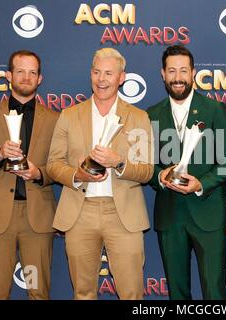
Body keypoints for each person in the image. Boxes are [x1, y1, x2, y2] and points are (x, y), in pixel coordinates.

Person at [47, 48, 153, 300]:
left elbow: (147, 171)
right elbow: (53, 164)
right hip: (80, 212)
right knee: (83, 293)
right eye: (96, 72)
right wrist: (78, 175)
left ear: (121, 78)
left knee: (132, 294)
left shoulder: (138, 118)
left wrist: (118, 163)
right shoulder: (69, 116)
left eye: (108, 73)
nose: (101, 79)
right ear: (90, 74)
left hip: (123, 215)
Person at [0, 50, 58, 299]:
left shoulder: (55, 119)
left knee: (38, 292)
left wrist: (39, 173)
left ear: (40, 78)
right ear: (9, 75)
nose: (26, 77)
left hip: (36, 220)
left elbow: (61, 167)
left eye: (32, 72)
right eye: (20, 71)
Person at [147, 45, 226, 300]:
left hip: (208, 214)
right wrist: (160, 176)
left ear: (193, 72)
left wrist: (201, 184)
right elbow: (145, 167)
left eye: (183, 70)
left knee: (214, 291)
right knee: (177, 292)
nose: (177, 77)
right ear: (162, 74)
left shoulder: (215, 110)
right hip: (170, 217)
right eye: (171, 71)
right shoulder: (151, 114)